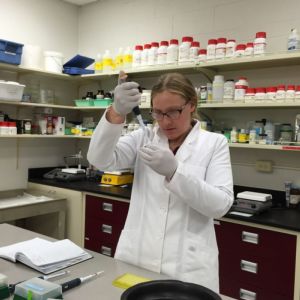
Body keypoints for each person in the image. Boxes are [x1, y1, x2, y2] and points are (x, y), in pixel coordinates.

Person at [87, 72, 233, 293]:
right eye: (158, 113)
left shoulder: (214, 143)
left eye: (173, 111)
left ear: (192, 104)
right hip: (138, 258)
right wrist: (116, 112)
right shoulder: (143, 137)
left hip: (188, 267)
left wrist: (176, 172)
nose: (165, 121)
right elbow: (99, 159)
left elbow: (220, 204)